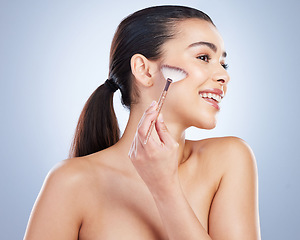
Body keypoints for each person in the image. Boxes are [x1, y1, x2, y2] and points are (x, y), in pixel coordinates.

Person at [24, 5, 261, 240]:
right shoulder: (70, 183)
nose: (224, 75)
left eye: (223, 63)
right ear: (144, 71)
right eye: (203, 57)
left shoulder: (228, 160)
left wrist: (165, 188)